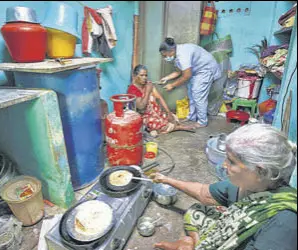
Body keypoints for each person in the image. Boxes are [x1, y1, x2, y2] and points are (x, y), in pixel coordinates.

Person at [150, 124, 297, 250]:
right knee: (197, 210)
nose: (223, 165)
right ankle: (194, 241)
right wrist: (166, 179)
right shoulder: (250, 185)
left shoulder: (283, 224)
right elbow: (203, 193)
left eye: (231, 162)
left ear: (260, 171)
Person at [159, 37, 221, 129]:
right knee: (191, 93)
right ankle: (192, 117)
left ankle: (202, 122)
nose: (164, 58)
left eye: (165, 55)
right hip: (197, 71)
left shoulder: (183, 55)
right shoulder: (176, 54)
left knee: (198, 94)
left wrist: (172, 85)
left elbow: (186, 76)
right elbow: (179, 71)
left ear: (171, 50)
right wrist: (166, 78)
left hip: (206, 69)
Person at [127, 65, 194, 137]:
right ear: (134, 76)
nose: (144, 78)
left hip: (155, 113)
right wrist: (148, 91)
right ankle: (177, 127)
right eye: (141, 75)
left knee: (172, 117)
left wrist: (168, 113)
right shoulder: (133, 90)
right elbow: (141, 107)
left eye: (146, 75)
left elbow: (159, 98)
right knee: (156, 125)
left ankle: (169, 126)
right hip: (143, 116)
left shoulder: (148, 84)